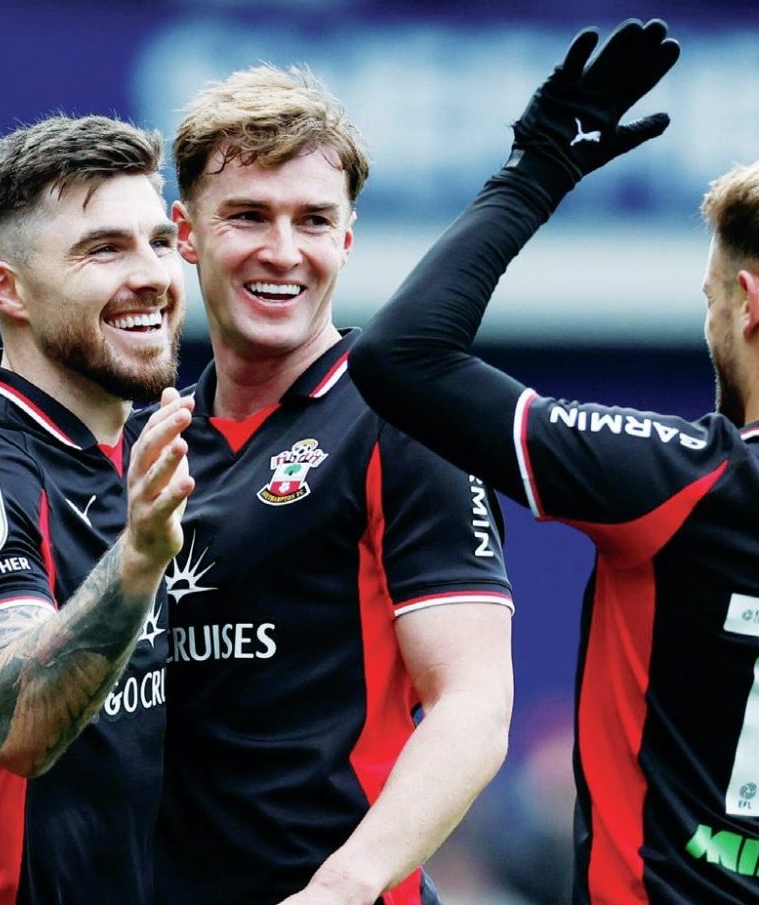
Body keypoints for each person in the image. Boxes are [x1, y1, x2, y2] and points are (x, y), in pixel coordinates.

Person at [352, 22, 759, 904]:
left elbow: (399, 356)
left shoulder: (682, 482)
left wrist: (536, 168)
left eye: (710, 297)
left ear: (748, 301)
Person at [156, 65, 515, 905]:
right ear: (186, 232)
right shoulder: (150, 440)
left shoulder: (402, 418)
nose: (283, 251)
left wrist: (343, 886)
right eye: (248, 215)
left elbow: (473, 703)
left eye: (313, 220)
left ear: (346, 239)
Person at [0, 114, 194, 904]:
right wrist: (138, 559)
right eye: (103, 250)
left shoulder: (153, 445)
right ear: (6, 289)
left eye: (160, 241)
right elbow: (18, 721)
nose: (152, 274)